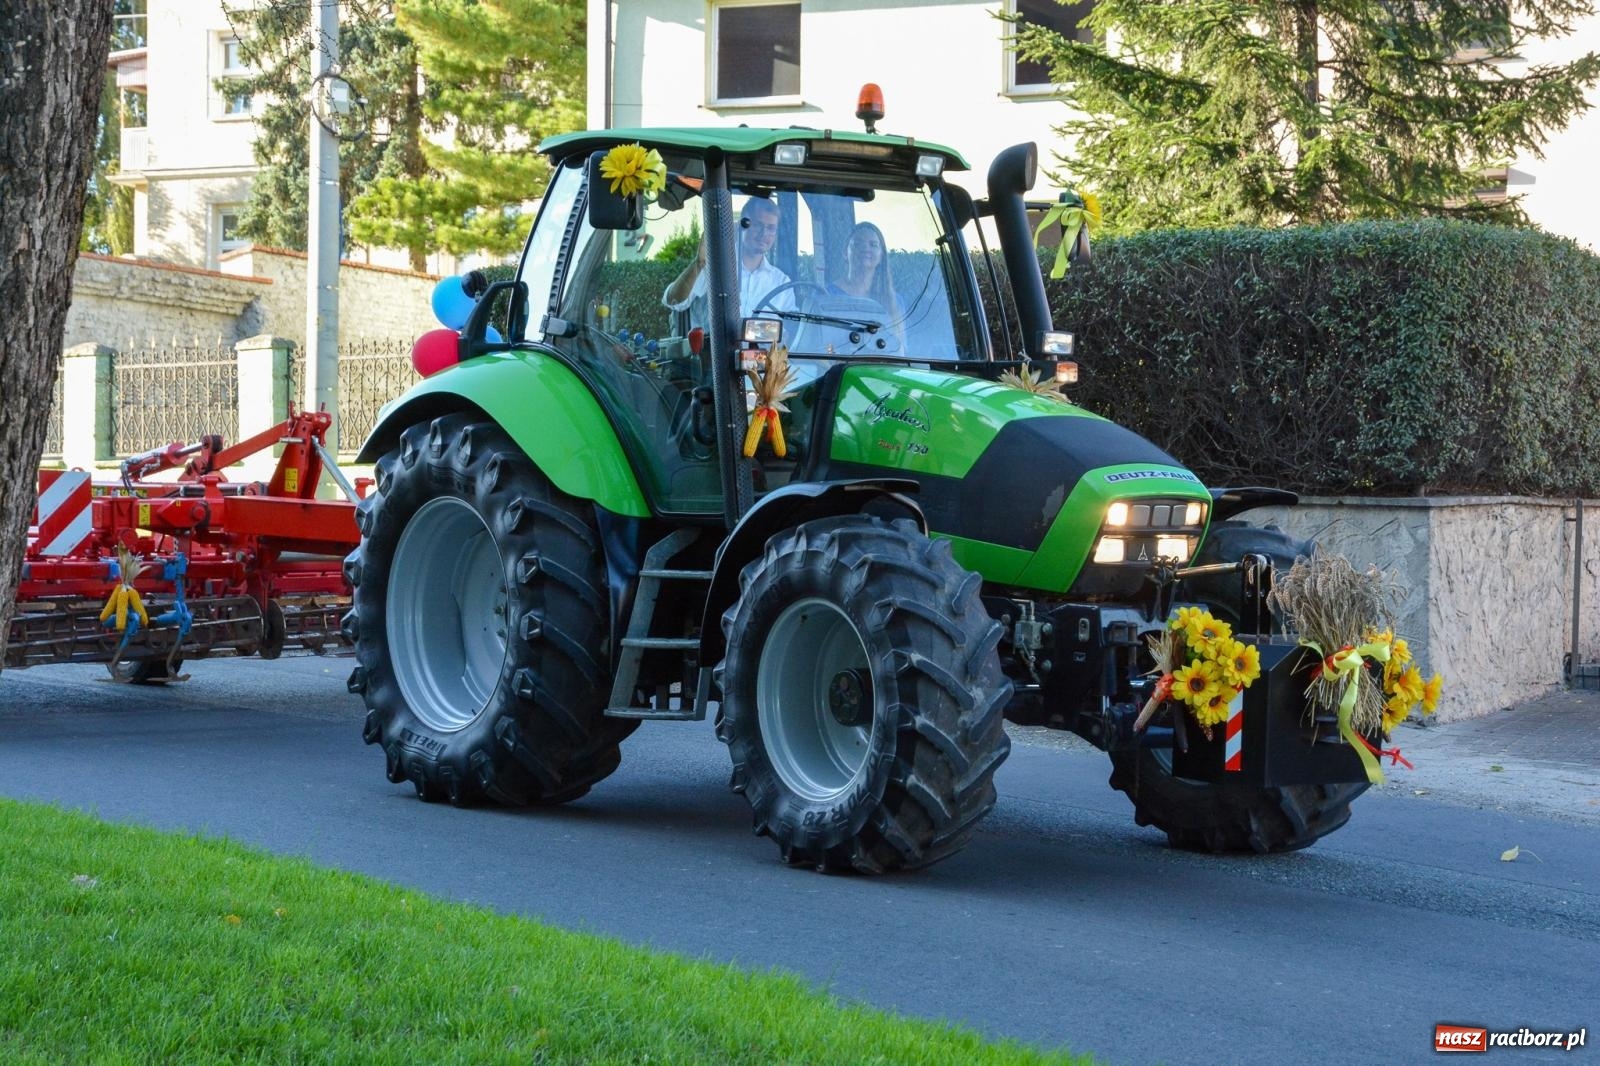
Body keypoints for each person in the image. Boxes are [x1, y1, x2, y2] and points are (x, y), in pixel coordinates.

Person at [662, 197, 794, 320]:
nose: (764, 233)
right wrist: (699, 262)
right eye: (758, 225)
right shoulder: (714, 266)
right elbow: (673, 301)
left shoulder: (781, 283)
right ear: (742, 224)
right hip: (713, 345)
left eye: (771, 228)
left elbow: (793, 329)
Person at [828, 221, 899, 317]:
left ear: (881, 256)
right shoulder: (827, 295)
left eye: (873, 245)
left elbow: (900, 332)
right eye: (857, 243)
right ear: (845, 252)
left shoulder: (895, 302)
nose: (866, 248)